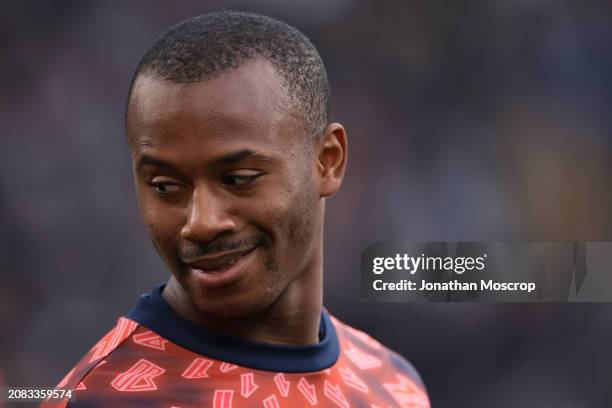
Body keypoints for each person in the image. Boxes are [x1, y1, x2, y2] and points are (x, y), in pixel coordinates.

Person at [44, 11, 429, 408]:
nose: (200, 223)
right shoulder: (102, 399)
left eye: (238, 178)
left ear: (327, 161)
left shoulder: (394, 385)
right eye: (166, 187)